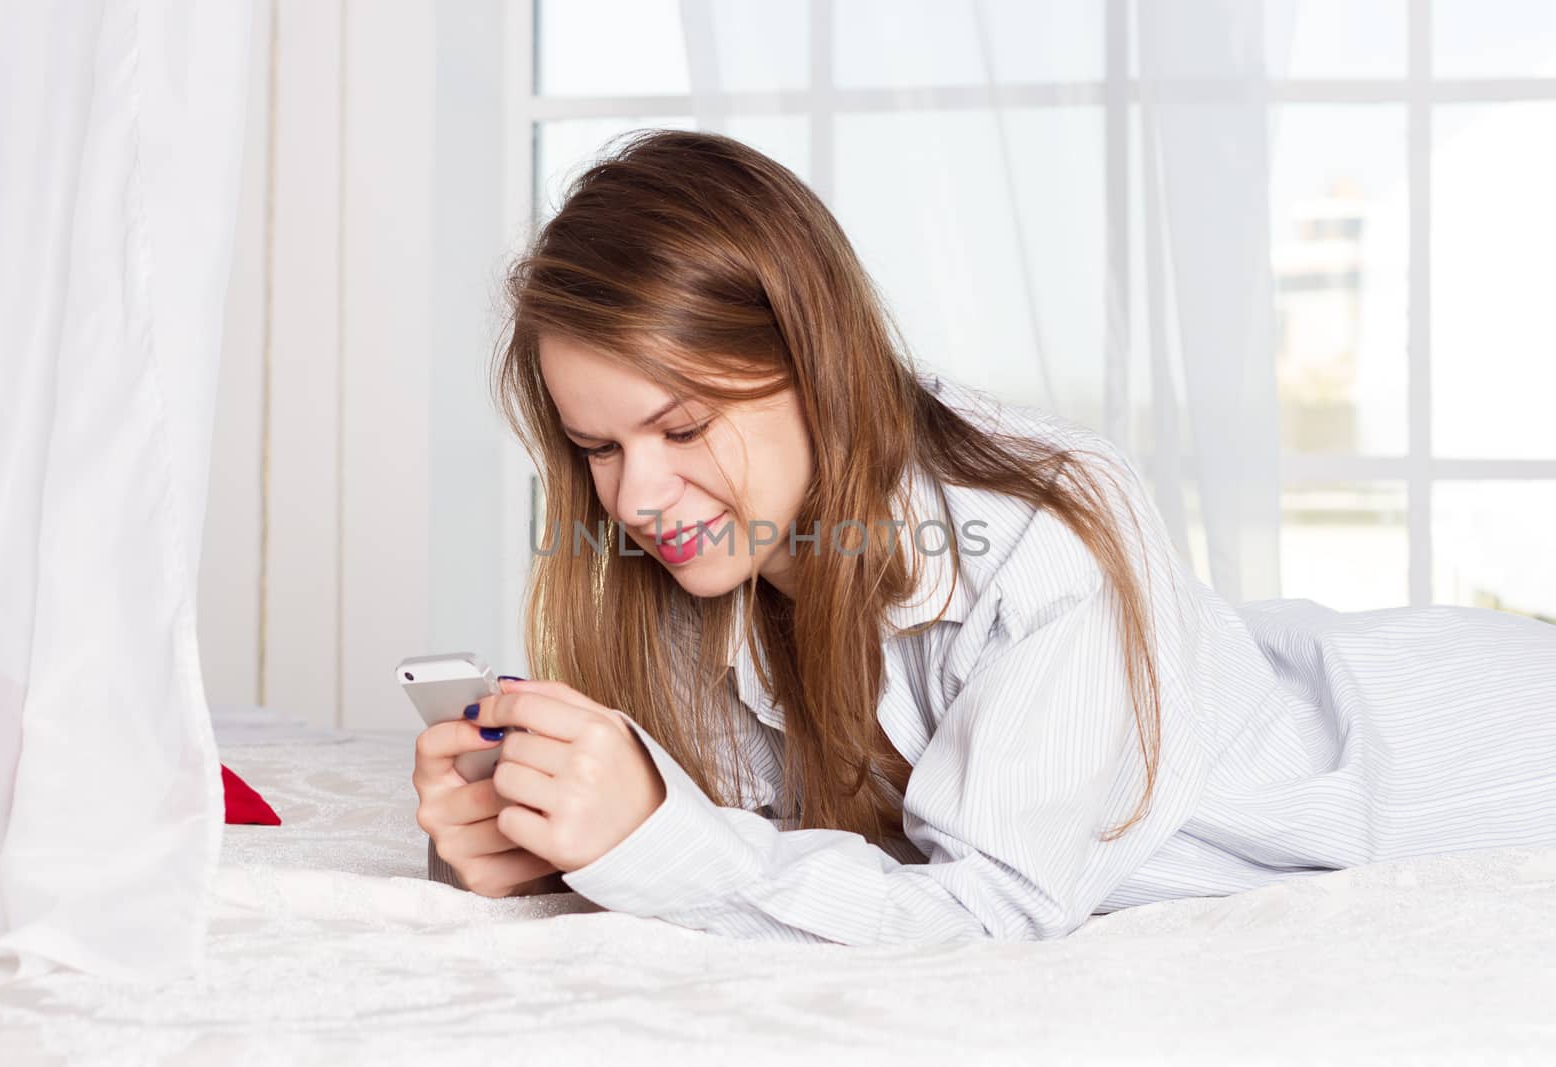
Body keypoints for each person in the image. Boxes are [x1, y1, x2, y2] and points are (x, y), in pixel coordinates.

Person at [412, 129, 1556, 944]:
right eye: (600, 450)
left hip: (1470, 746)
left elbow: (987, 906)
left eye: (683, 423)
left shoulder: (1043, 534)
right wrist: (547, 837)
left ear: (819, 364)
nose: (641, 495)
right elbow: (757, 848)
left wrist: (656, 839)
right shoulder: (700, 570)